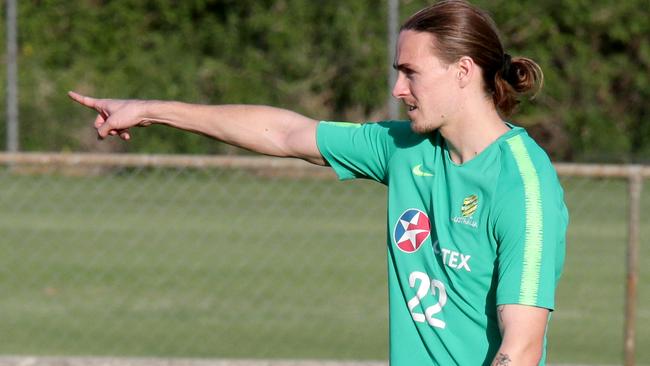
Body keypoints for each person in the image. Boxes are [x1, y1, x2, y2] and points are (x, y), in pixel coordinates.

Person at [69, 1, 568, 365]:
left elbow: (519, 349)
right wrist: (153, 110)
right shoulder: (403, 148)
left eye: (410, 73)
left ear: (463, 71)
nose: (397, 90)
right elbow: (287, 132)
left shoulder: (522, 184)